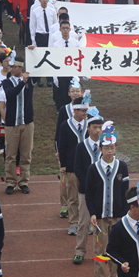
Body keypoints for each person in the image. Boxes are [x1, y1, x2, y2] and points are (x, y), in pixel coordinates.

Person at [85, 121, 129, 277]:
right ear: (101, 149)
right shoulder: (93, 169)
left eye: (112, 147)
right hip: (100, 217)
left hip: (117, 217)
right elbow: (89, 193)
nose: (109, 150)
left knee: (116, 250)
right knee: (99, 251)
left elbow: (125, 192)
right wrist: (93, 213)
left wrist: (126, 216)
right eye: (106, 147)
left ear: (115, 148)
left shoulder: (122, 167)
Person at [72, 106, 102, 264]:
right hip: (86, 191)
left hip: (103, 192)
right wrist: (88, 184)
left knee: (102, 224)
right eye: (94, 127)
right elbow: (78, 168)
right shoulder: (81, 146)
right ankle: (80, 251)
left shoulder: (106, 146)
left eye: (100, 127)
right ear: (88, 128)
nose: (97, 130)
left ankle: (101, 251)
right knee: (83, 222)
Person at [2, 56, 35, 195]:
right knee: (10, 154)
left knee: (26, 155)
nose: (11, 69)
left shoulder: (30, 81)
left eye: (14, 66)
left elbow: (39, 69)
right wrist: (22, 82)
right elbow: (11, 94)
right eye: (11, 67)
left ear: (21, 67)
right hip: (12, 124)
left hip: (27, 123)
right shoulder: (7, 82)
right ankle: (10, 182)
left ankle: (23, 182)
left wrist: (33, 53)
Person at [58, 94, 90, 236]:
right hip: (71, 166)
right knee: (72, 197)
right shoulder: (65, 125)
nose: (85, 113)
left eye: (86, 111)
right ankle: (73, 223)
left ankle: (87, 223)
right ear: (75, 110)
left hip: (88, 167)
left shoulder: (90, 125)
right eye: (82, 111)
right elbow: (62, 146)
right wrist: (63, 164)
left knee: (87, 197)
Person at [55, 77, 83, 218]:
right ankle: (64, 206)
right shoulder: (64, 109)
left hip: (82, 154)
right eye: (73, 91)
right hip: (67, 151)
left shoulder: (87, 111)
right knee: (65, 182)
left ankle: (80, 207)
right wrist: (58, 151)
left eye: (77, 91)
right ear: (68, 94)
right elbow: (58, 133)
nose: (75, 93)